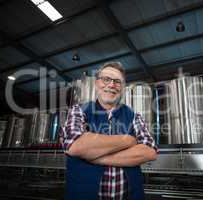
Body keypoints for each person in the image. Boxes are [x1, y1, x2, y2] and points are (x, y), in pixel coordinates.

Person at [61, 62, 157, 200]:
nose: (111, 85)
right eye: (106, 79)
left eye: (117, 82)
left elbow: (150, 152)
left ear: (122, 88)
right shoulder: (79, 110)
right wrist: (128, 140)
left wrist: (94, 156)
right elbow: (75, 146)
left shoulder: (134, 116)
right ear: (96, 83)